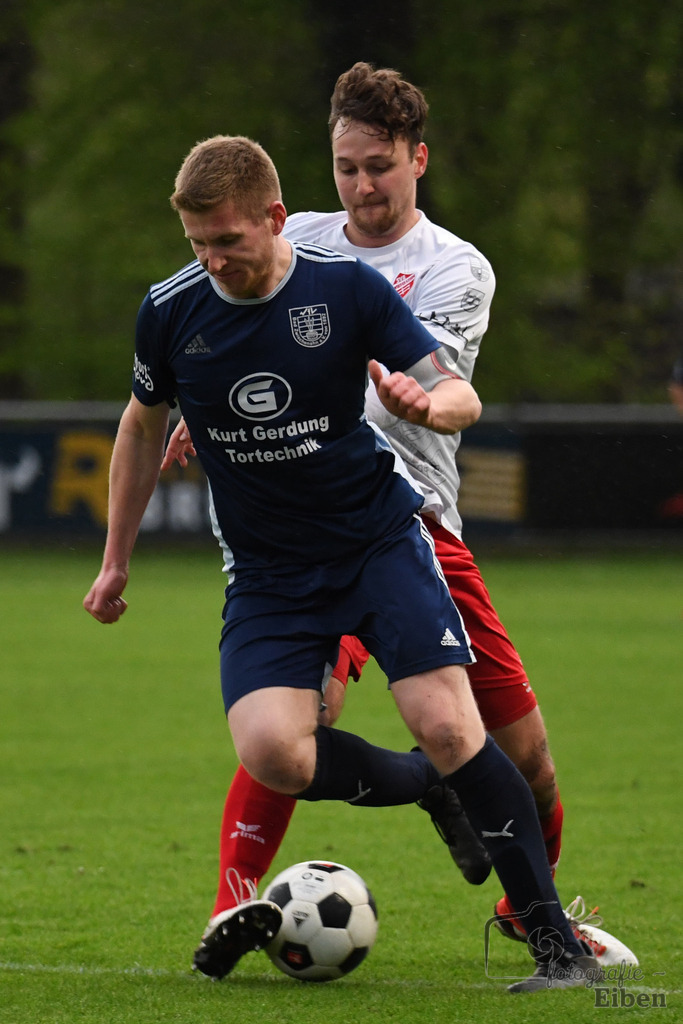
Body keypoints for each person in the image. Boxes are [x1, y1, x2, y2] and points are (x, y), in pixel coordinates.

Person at [97, 132, 604, 994]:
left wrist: (431, 403)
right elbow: (142, 426)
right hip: (267, 573)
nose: (213, 260)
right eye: (197, 245)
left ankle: (555, 948)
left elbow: (458, 390)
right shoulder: (172, 309)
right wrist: (116, 562)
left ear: (273, 216)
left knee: (450, 725)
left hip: (377, 541)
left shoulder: (344, 289)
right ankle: (427, 789)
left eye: (229, 240)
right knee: (273, 754)